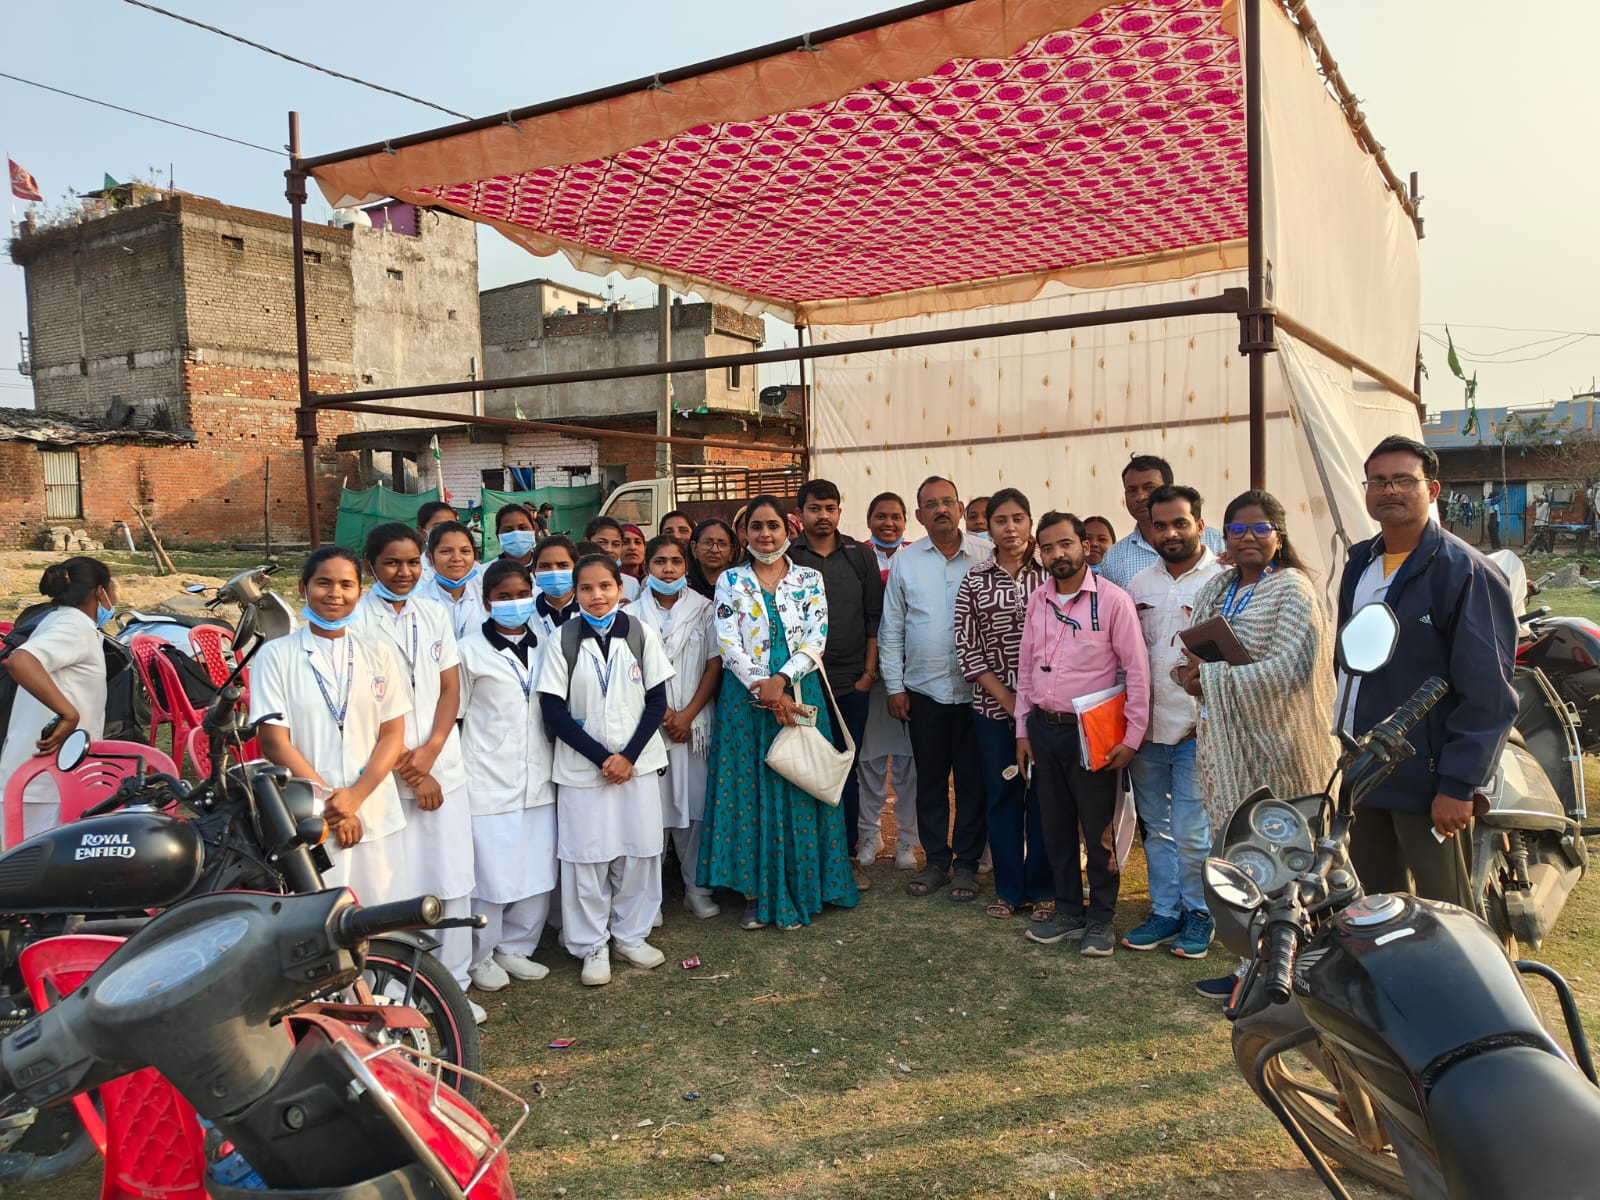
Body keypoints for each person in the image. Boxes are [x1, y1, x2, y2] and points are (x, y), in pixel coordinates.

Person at [1337, 435, 1517, 908]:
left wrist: (1459, 784)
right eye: (1378, 481)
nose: (1389, 490)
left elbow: (1489, 691)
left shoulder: (1465, 571)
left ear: (1432, 490)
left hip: (1429, 778)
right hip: (1365, 768)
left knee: (1447, 912)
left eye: (1403, 480)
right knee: (1375, 906)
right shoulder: (1360, 563)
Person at [1173, 490, 1337, 998]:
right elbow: (1195, 649)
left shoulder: (1293, 590)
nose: (1248, 537)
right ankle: (1250, 967)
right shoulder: (1218, 586)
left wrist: (1211, 679)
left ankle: (1298, 971)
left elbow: (1294, 668)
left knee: (1290, 860)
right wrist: (1188, 675)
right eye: (1237, 529)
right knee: (1244, 860)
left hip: (1282, 750)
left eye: (1260, 528)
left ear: (1279, 537)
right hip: (1228, 748)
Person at [700, 495, 859, 929]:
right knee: (750, 789)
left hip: (801, 689)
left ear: (789, 530)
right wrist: (763, 685)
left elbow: (816, 638)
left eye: (773, 526)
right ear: (744, 534)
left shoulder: (808, 578)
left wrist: (783, 681)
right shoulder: (730, 580)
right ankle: (754, 894)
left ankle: (808, 885)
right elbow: (727, 642)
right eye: (756, 526)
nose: (765, 534)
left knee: (802, 778)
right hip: (746, 700)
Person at [356, 524, 478, 1018]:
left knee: (452, 877)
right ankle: (397, 989)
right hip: (385, 774)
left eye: (411, 562)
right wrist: (414, 770)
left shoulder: (432, 613)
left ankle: (456, 986)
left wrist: (431, 751)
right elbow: (364, 709)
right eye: (391, 563)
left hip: (441, 761)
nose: (403, 572)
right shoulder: (356, 620)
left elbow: (449, 690)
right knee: (396, 885)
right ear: (370, 566)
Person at [1016, 512, 1149, 958]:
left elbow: (1137, 670)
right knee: (1054, 827)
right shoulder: (1038, 600)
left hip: (1092, 733)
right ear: (1040, 553)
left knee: (1098, 831)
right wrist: (1022, 729)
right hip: (1044, 729)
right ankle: (1069, 910)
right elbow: (1026, 667)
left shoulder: (1113, 601)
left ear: (1085, 547)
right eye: (1048, 547)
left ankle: (1101, 918)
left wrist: (1133, 736)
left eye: (1066, 544)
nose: (1058, 554)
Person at [537, 555, 675, 985]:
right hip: (584, 769)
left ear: (620, 588)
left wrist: (628, 756)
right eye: (586, 588)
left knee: (640, 851)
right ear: (575, 593)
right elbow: (552, 710)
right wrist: (603, 758)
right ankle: (591, 944)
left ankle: (631, 935)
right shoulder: (562, 639)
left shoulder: (639, 633)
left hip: (637, 765)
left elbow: (657, 701)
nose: (597, 596)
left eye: (605, 586)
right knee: (586, 856)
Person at [252, 547, 412, 903]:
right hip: (310, 814)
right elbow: (275, 742)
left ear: (360, 591)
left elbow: (392, 733)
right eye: (324, 583)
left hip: (374, 806)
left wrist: (355, 797)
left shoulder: (378, 653)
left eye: (346, 585)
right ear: (302, 588)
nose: (335, 594)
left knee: (383, 914)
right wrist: (331, 805)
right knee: (323, 915)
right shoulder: (276, 656)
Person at [880, 476, 993, 901]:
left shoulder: (985, 555)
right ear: (919, 515)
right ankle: (936, 862)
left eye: (948, 502)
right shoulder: (907, 562)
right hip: (924, 692)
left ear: (961, 508)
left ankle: (966, 865)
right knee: (929, 780)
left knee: (972, 782)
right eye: (931, 504)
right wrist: (895, 686)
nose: (941, 509)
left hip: (978, 692)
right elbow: (892, 627)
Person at [1122, 486, 1222, 960]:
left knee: (1191, 829)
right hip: (1145, 728)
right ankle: (1164, 911)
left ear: (1200, 525)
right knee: (1156, 828)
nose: (1170, 533)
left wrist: (1211, 713)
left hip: (1197, 729)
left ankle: (1200, 912)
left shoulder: (1221, 582)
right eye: (1160, 525)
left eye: (1180, 523)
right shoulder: (1139, 584)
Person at [457, 559, 559, 995]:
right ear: (487, 602)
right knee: (490, 876)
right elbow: (455, 716)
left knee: (537, 868)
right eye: (503, 597)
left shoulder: (548, 644)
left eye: (521, 595)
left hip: (539, 774)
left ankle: (518, 947)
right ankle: (481, 955)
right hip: (487, 775)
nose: (514, 603)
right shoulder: (468, 651)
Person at [953, 489, 1052, 920]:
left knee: (1045, 799)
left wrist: (1031, 705)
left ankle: (1045, 888)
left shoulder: (1052, 572)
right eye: (1000, 520)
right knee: (1003, 795)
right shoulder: (975, 579)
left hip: (1049, 709)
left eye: (1018, 518)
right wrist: (1010, 702)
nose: (1010, 528)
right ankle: (1010, 890)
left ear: (1030, 522)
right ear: (988, 527)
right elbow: (967, 648)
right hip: (994, 710)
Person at [788, 479, 882, 888]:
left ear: (840, 512)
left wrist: (867, 676)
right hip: (801, 686)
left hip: (849, 684)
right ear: (800, 513)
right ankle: (806, 856)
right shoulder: (788, 557)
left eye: (830, 508)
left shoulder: (859, 556)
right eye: (814, 508)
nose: (823, 515)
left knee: (845, 768)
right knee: (801, 766)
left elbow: (874, 618)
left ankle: (846, 856)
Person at [626, 535, 723, 919]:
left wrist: (687, 715)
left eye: (676, 562)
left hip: (694, 725)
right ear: (647, 567)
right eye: (660, 561)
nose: (668, 569)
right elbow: (630, 670)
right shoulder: (630, 614)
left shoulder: (705, 609)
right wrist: (664, 714)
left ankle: (696, 889)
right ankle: (649, 899)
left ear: (686, 566)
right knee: (650, 812)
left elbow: (714, 664)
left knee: (695, 808)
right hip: (648, 726)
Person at [0, 557, 115, 843]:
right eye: (113, 587)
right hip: (45, 784)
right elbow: (20, 661)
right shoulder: (74, 627)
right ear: (99, 592)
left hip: (49, 776)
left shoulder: (59, 619)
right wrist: (68, 714)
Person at [858, 492, 919, 868]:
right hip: (871, 675)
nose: (888, 523)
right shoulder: (857, 556)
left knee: (911, 764)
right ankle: (870, 834)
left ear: (905, 521)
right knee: (871, 762)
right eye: (881, 516)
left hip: (912, 675)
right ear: (869, 520)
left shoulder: (916, 556)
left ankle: (908, 840)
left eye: (896, 516)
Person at [1098, 455, 1225, 589]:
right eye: (1132, 490)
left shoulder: (1216, 541)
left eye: (1149, 488)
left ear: (1169, 489)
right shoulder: (1113, 558)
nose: (1140, 497)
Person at [421, 520, 483, 640]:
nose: (456, 558)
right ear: (429, 556)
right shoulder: (417, 599)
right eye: (446, 551)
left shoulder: (485, 596)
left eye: (465, 551)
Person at [530, 535, 582, 637]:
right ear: (534, 573)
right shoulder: (525, 615)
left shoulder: (594, 610)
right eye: (545, 566)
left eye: (563, 565)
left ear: (577, 570)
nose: (554, 572)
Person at [584, 516, 643, 601]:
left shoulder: (631, 584)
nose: (609, 549)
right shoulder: (573, 581)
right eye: (602, 542)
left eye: (615, 544)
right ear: (586, 542)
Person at [687, 518, 738, 599]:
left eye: (722, 544)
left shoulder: (742, 589)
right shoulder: (683, 589)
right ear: (694, 548)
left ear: (731, 551)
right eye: (707, 543)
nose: (714, 550)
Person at [495, 504, 539, 570]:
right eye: (508, 530)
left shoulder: (548, 568)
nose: (516, 534)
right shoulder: (483, 573)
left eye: (522, 528)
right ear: (498, 536)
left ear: (534, 531)